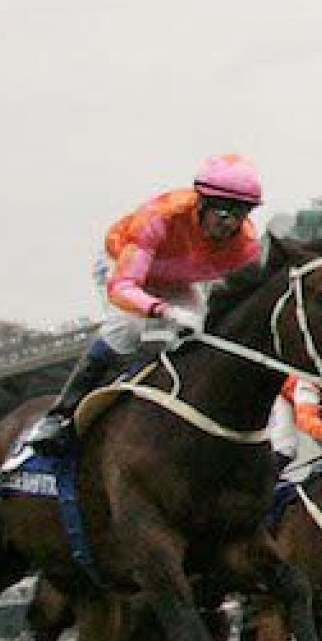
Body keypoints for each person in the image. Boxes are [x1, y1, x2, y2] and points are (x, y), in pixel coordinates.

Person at [21, 155, 265, 458]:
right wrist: (163, 311)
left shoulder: (246, 246)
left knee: (201, 336)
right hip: (125, 269)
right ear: (201, 201)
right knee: (128, 327)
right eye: (224, 211)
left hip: (177, 279)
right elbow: (122, 288)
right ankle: (59, 415)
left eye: (240, 213)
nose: (229, 223)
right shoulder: (160, 217)